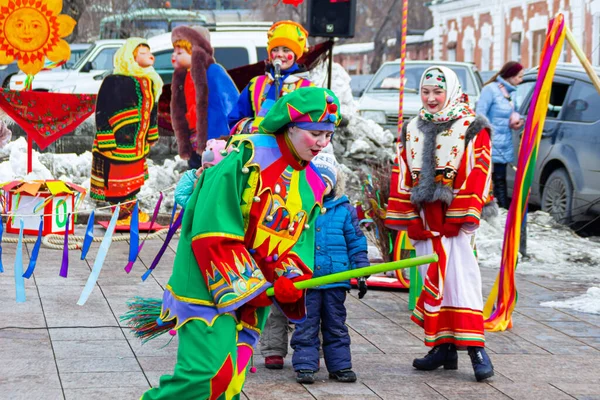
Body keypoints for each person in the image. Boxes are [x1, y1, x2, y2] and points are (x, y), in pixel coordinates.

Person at [136, 87, 341, 400]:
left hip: (253, 295)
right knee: (207, 377)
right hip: (208, 285)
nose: (322, 143)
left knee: (231, 380)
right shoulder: (248, 157)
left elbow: (295, 244)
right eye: (315, 133)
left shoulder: (313, 183)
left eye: (328, 135)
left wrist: (290, 278)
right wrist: (253, 284)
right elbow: (213, 224)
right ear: (290, 127)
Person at [385, 66, 495, 382]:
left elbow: (480, 170)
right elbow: (401, 172)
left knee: (462, 280)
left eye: (438, 91)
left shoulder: (471, 126)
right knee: (432, 279)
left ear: (452, 91)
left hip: (455, 221)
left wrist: (460, 216)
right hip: (424, 219)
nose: (431, 98)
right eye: (426, 91)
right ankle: (442, 347)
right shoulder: (412, 128)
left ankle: (476, 348)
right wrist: (409, 220)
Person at [291, 153, 369, 385]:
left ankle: (340, 366)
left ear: (335, 183)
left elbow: (356, 242)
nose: (322, 186)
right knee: (306, 324)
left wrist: (361, 271)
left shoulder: (344, 210)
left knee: (335, 324)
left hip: (336, 279)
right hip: (308, 280)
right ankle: (305, 365)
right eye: (317, 181)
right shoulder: (301, 208)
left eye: (327, 181)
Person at [90, 38, 163, 223]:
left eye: (149, 52)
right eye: (143, 53)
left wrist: (151, 133)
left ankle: (130, 212)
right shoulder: (113, 81)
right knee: (116, 178)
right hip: (118, 141)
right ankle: (121, 213)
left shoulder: (150, 81)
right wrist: (106, 137)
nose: (149, 56)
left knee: (134, 178)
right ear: (130, 56)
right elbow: (102, 109)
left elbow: (152, 109)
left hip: (137, 142)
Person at [170, 25, 239, 169]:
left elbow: (232, 102)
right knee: (197, 176)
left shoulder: (213, 71)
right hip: (194, 143)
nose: (174, 56)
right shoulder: (182, 78)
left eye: (180, 51)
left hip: (216, 141)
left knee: (214, 177)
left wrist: (233, 133)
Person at [228, 20, 313, 135]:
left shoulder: (307, 88)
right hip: (257, 147)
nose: (279, 54)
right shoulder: (256, 84)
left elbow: (315, 124)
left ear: (295, 55)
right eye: (275, 50)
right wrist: (253, 127)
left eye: (286, 50)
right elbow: (235, 119)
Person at [476, 61, 525, 209]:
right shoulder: (490, 90)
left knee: (500, 179)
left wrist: (515, 121)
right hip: (490, 143)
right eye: (519, 77)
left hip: (505, 142)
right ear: (510, 75)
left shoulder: (512, 93)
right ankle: (486, 209)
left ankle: (503, 210)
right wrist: (485, 135)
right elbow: (480, 114)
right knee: (487, 179)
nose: (521, 80)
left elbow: (511, 113)